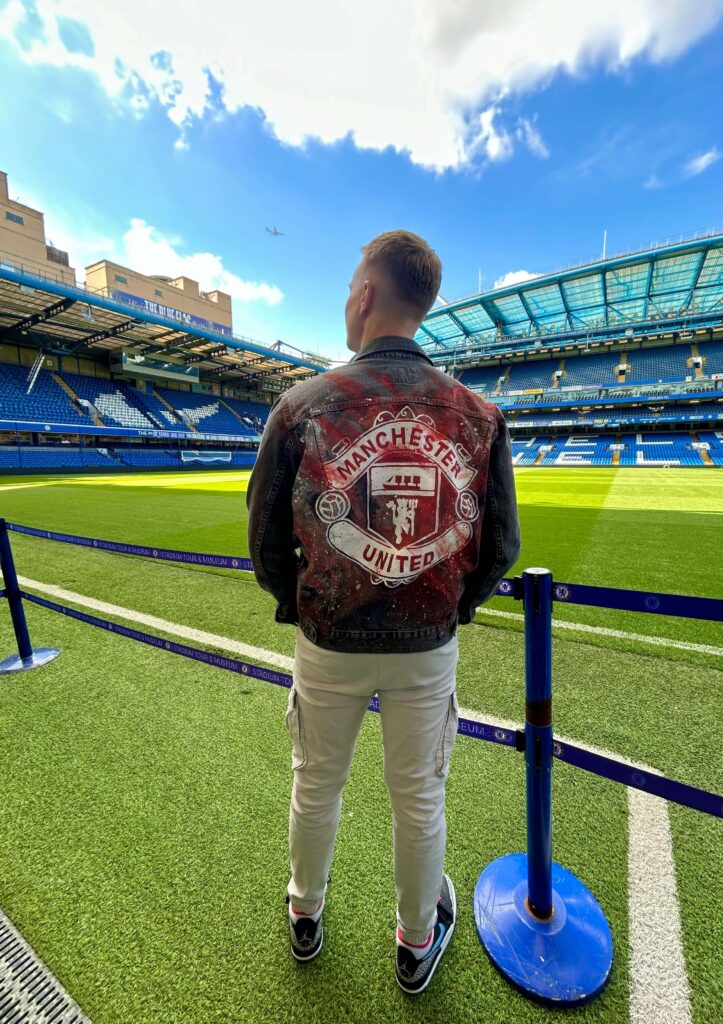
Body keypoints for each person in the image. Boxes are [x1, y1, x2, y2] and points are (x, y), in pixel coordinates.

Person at [246, 230, 520, 994]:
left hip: (328, 638)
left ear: (365, 295)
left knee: (315, 782)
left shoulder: (302, 405)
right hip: (427, 644)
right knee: (419, 797)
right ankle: (414, 940)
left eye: (347, 288)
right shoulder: (478, 414)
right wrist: (447, 607)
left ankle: (305, 915)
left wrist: (298, 603)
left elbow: (264, 539)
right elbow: (501, 546)